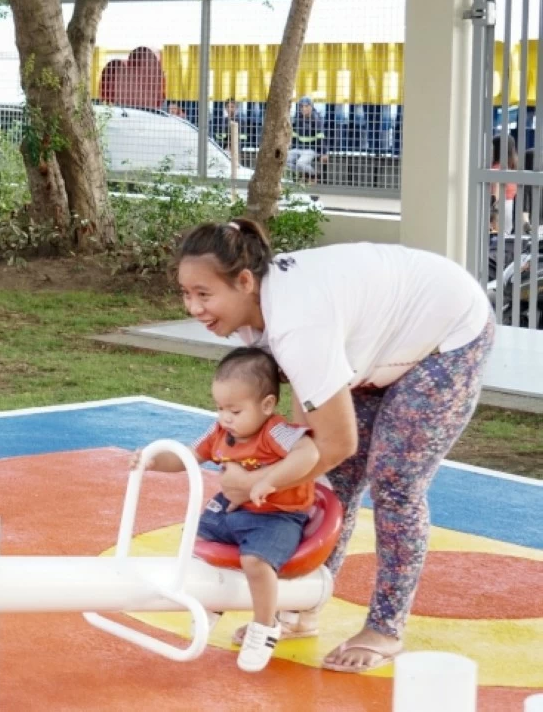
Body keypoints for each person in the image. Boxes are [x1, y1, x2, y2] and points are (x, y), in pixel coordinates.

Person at [174, 218, 494, 673]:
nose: (193, 308)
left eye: (204, 294)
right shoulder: (253, 315)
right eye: (186, 294)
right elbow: (311, 434)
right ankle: (303, 605)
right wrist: (272, 474)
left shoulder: (295, 324)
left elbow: (339, 440)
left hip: (446, 335)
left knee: (394, 482)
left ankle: (385, 628)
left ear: (245, 281)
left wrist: (257, 483)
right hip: (379, 338)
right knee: (331, 476)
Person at [131, 347, 319, 672]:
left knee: (254, 561)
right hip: (233, 509)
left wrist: (269, 479)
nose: (225, 417)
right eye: (219, 408)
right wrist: (152, 460)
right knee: (198, 542)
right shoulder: (220, 431)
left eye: (234, 410)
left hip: (276, 515)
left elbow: (309, 453)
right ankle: (214, 602)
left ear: (267, 405)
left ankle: (265, 626)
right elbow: (189, 455)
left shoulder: (275, 431)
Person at [288, 96, 326, 178]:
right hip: (298, 148)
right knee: (283, 161)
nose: (303, 109)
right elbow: (294, 135)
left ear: (311, 106)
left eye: (306, 106)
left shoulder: (316, 120)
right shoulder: (298, 118)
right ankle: (302, 174)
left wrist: (323, 153)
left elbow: (320, 138)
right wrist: (290, 145)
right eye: (301, 106)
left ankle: (314, 175)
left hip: (311, 149)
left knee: (300, 164)